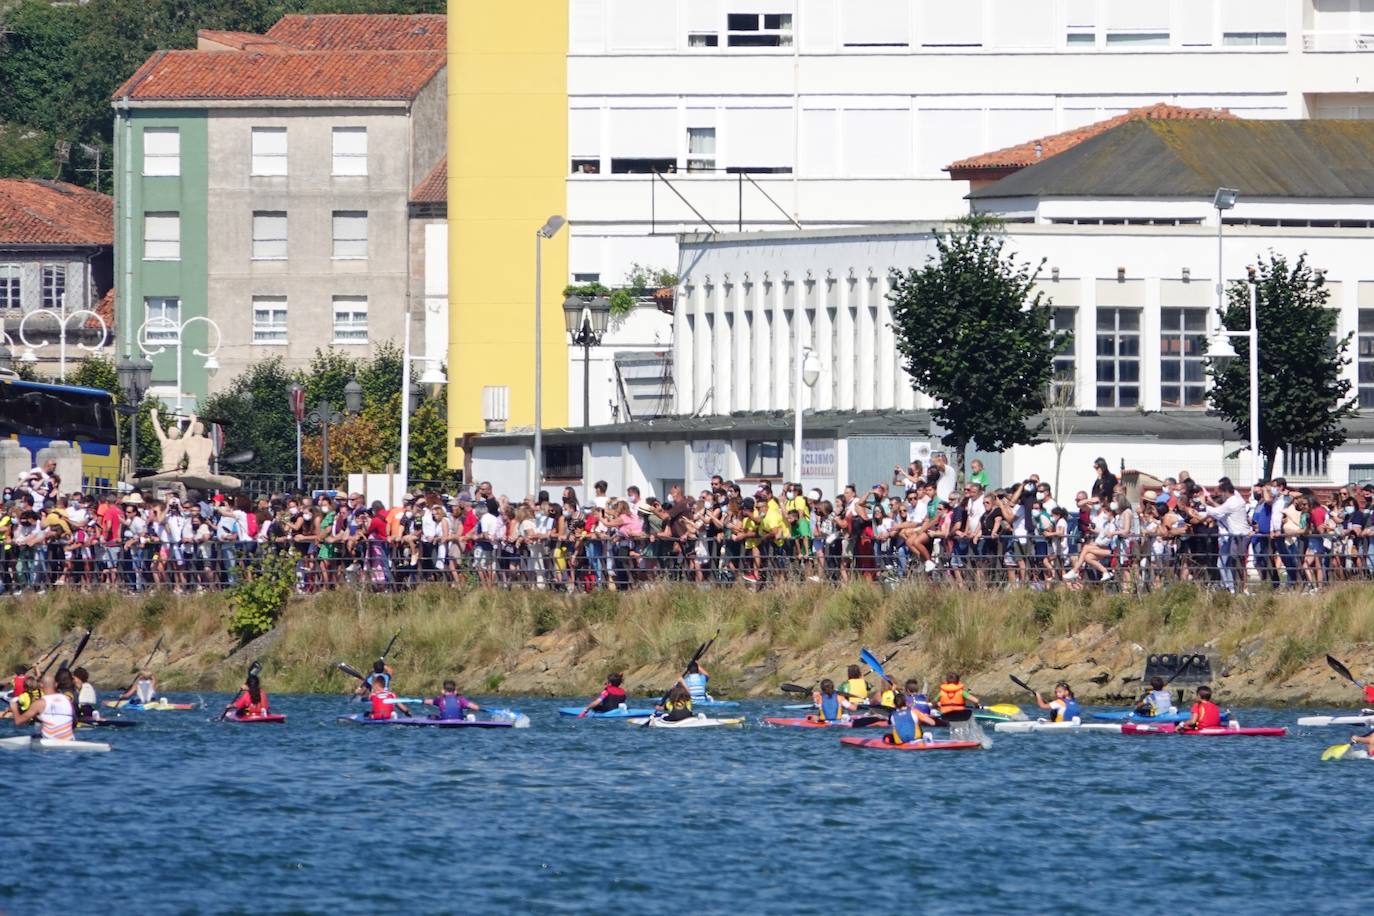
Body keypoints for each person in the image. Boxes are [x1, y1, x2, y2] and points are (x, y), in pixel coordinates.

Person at [10, 672, 76, 743]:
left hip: (49, 742)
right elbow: (74, 722)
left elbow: (18, 721)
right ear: (56, 685)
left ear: (41, 685)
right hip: (69, 740)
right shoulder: (67, 700)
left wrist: (14, 708)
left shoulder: (40, 703)